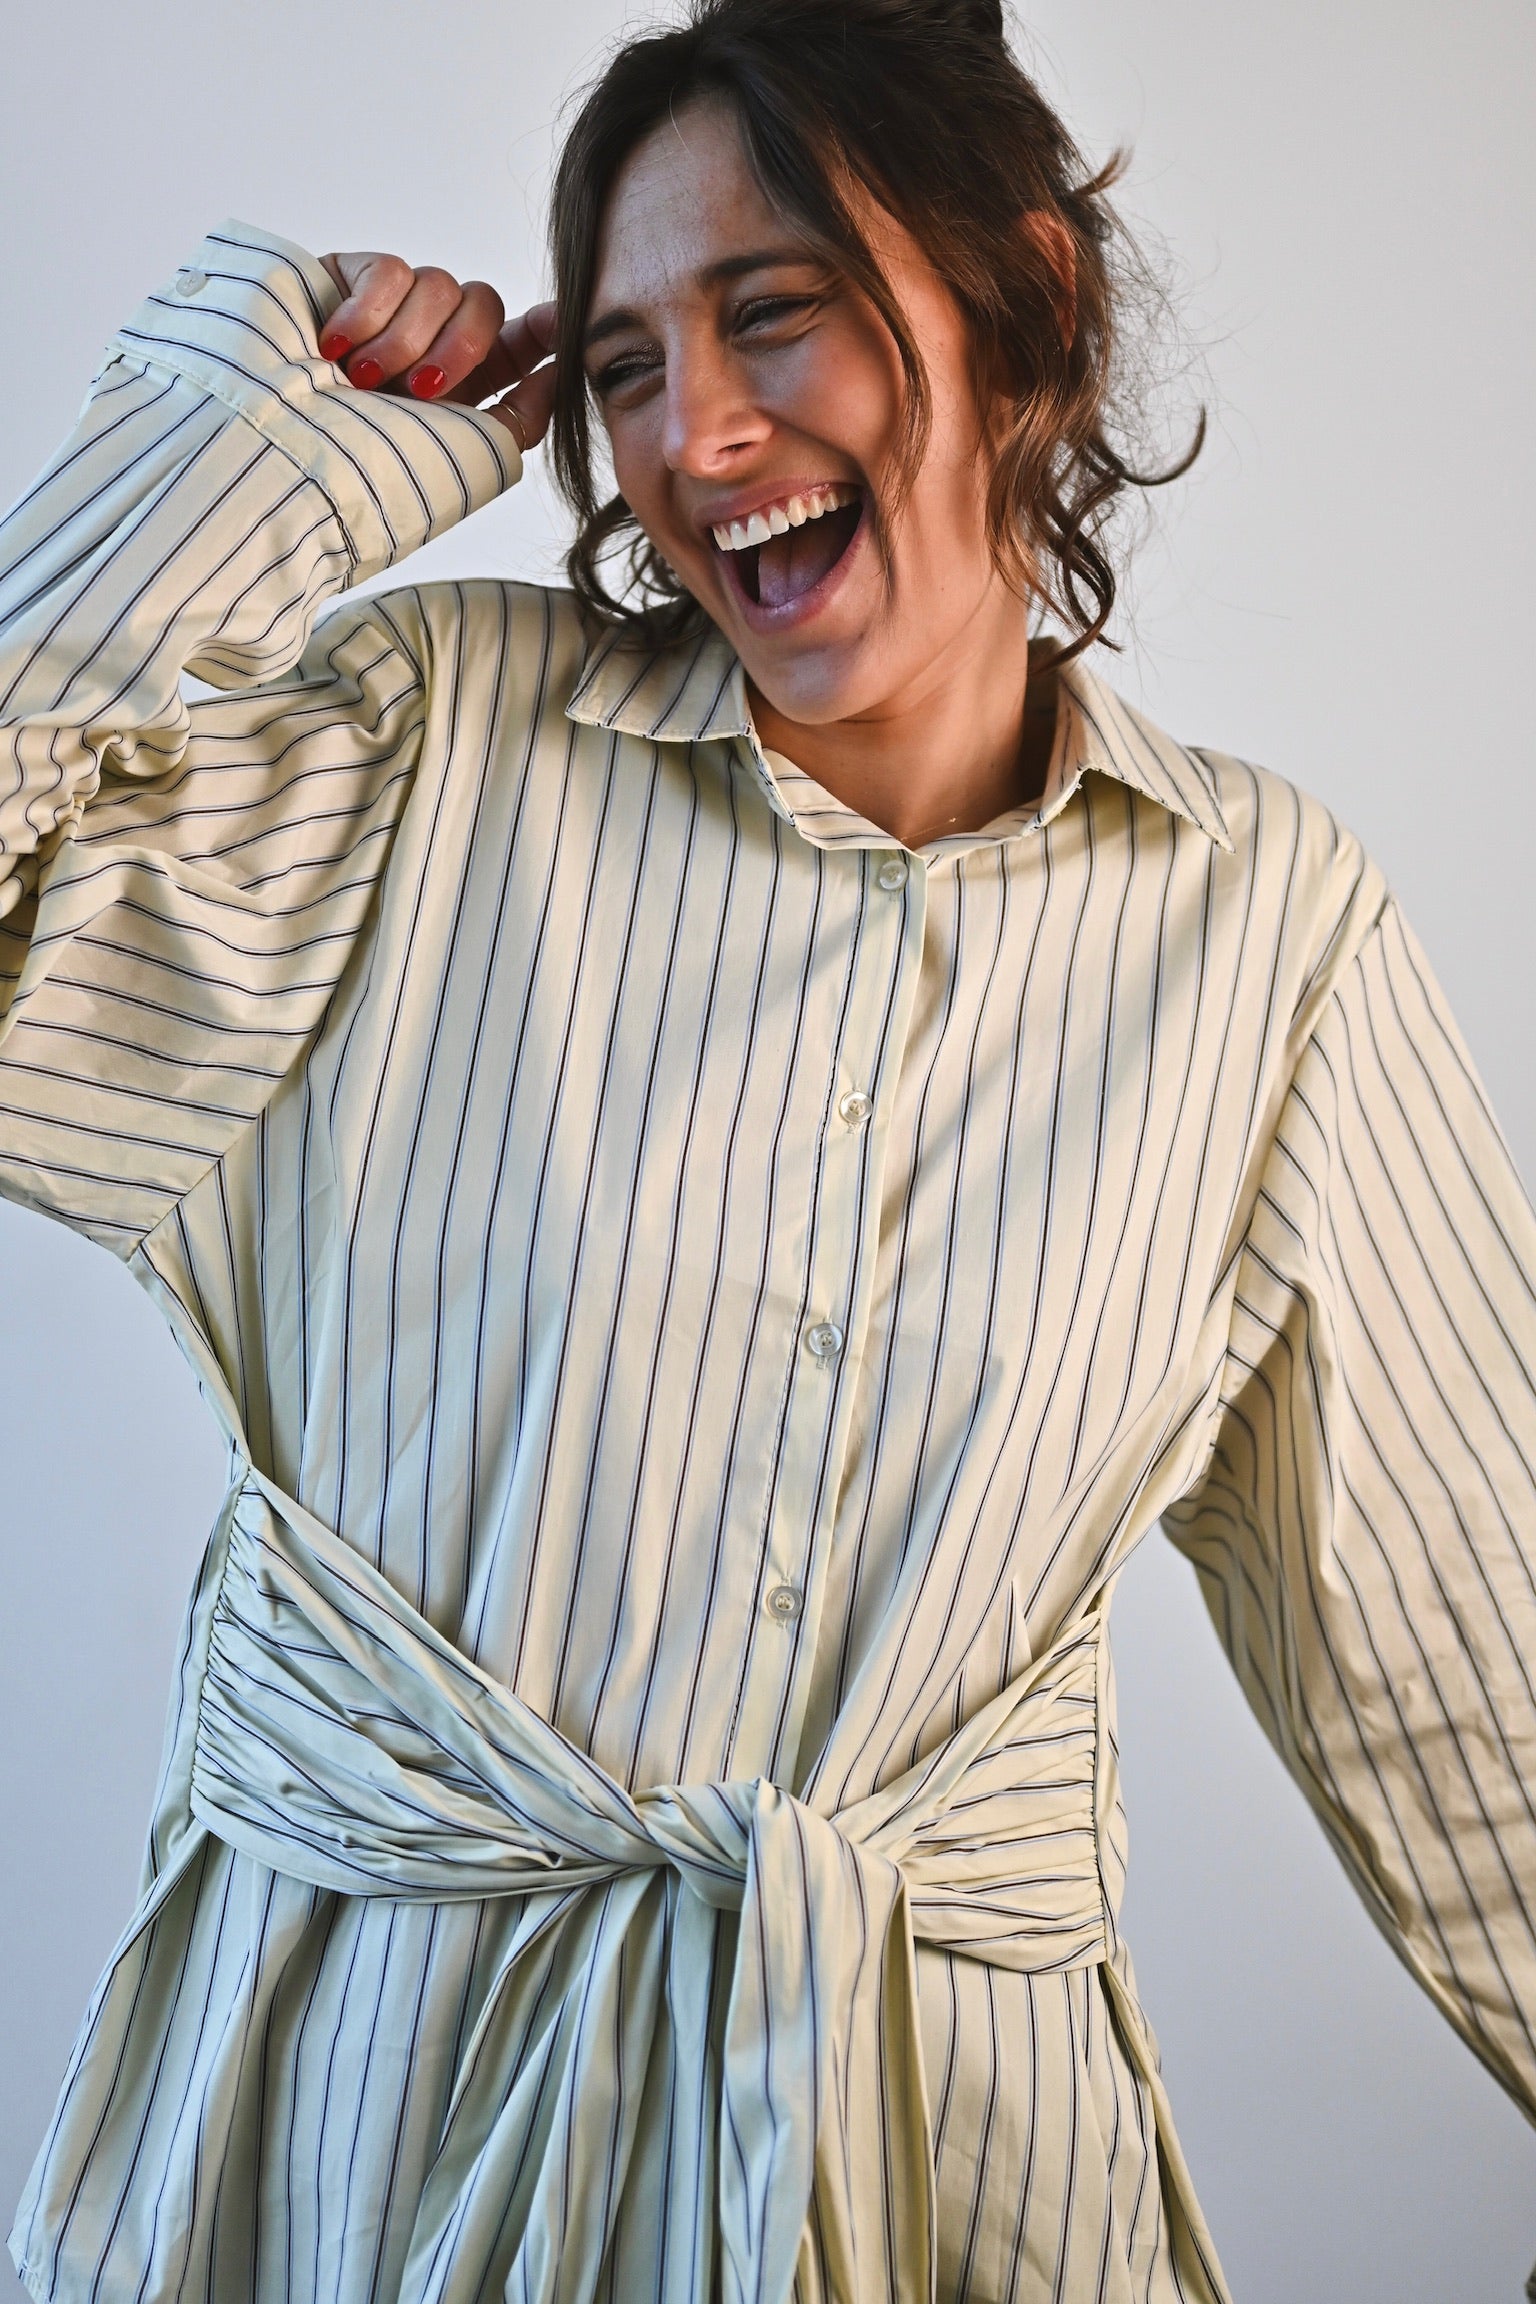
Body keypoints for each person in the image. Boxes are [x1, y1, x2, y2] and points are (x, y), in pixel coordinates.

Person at [3, 0, 1534, 2297]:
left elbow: (1473, 1686)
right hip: (363, 2131)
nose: (693, 437)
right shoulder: (426, 753)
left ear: (1032, 302)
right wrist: (246, 458)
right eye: (624, 363)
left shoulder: (1271, 935)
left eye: (776, 312)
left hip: (934, 2166)